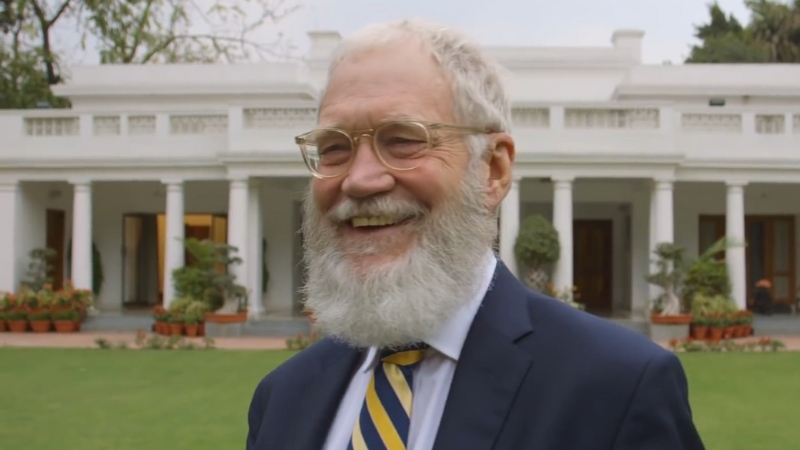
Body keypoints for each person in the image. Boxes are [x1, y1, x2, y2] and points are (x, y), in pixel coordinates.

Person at [246, 18, 705, 450]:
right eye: (333, 148)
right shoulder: (283, 397)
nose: (360, 180)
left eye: (403, 140)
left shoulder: (617, 387)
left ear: (493, 169)